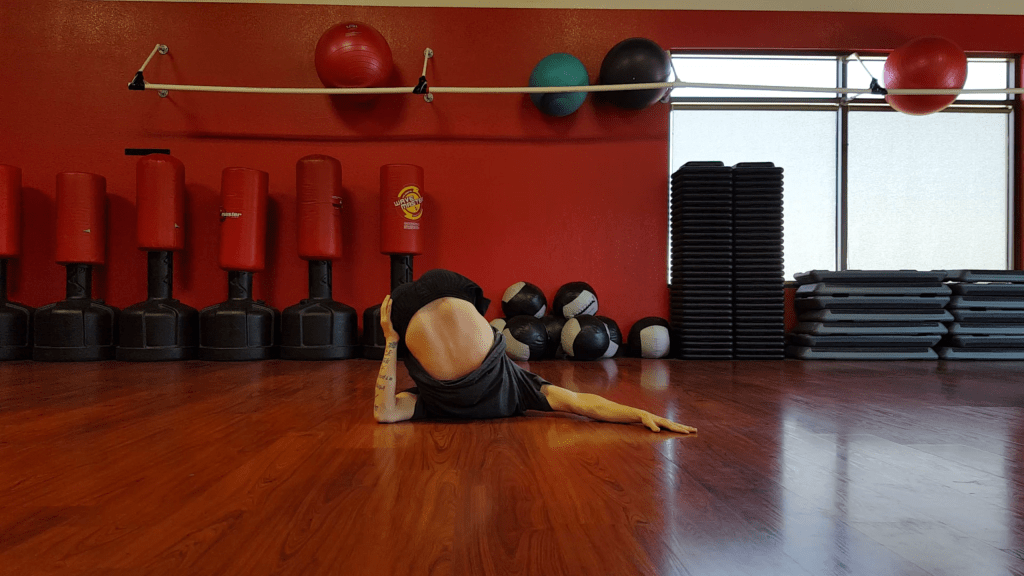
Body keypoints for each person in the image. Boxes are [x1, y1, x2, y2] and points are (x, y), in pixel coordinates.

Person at [372, 269, 696, 434]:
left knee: (464, 300)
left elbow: (582, 403)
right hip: (420, 305)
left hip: (431, 302)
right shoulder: (521, 390)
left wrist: (391, 341)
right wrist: (639, 414)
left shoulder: (520, 388)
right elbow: (581, 403)